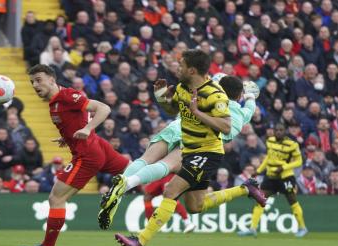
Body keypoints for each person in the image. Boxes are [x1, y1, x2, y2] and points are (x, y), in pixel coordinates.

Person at [111, 49, 265, 246]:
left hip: (206, 150)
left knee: (170, 191)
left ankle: (140, 240)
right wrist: (162, 97)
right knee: (195, 206)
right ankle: (245, 189)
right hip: (191, 148)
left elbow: (225, 127)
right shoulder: (232, 106)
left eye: (181, 65)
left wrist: (197, 112)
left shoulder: (214, 95)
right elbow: (175, 110)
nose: (177, 68)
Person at [98, 74, 260, 230]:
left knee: (145, 159)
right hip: (197, 140)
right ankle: (127, 184)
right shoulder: (240, 114)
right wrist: (251, 96)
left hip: (176, 126)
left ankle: (116, 194)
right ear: (239, 97)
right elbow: (248, 108)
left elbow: (195, 89)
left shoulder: (208, 92)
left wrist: (162, 95)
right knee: (167, 166)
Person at [16, 65, 129, 246]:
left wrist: (87, 128)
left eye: (39, 80)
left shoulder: (67, 96)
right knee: (135, 172)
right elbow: (76, 119)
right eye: (32, 81)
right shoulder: (55, 102)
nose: (35, 85)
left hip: (87, 155)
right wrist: (68, 137)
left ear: (52, 79)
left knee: (56, 199)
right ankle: (181, 177)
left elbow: (104, 108)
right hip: (96, 146)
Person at [238, 123, 307, 238]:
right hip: (270, 177)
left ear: (285, 131)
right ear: (274, 131)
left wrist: (283, 167)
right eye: (277, 130)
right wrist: (259, 170)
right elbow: (268, 158)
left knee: (292, 201)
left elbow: (299, 161)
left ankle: (302, 227)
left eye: (281, 130)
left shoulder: (292, 144)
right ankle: (252, 228)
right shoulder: (270, 141)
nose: (279, 132)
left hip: (286, 177)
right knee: (260, 199)